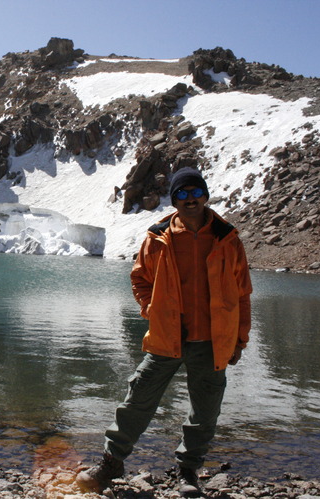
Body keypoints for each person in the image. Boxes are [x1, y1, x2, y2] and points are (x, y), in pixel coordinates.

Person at [76, 167, 253, 497]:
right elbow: (139, 279)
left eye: (195, 192)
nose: (190, 199)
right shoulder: (158, 237)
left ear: (205, 195)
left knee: (205, 410)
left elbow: (242, 293)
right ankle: (111, 463)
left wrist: (239, 340)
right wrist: (151, 310)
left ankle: (188, 472)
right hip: (167, 337)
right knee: (138, 398)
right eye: (182, 194)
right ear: (174, 200)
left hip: (212, 342)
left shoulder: (227, 238)